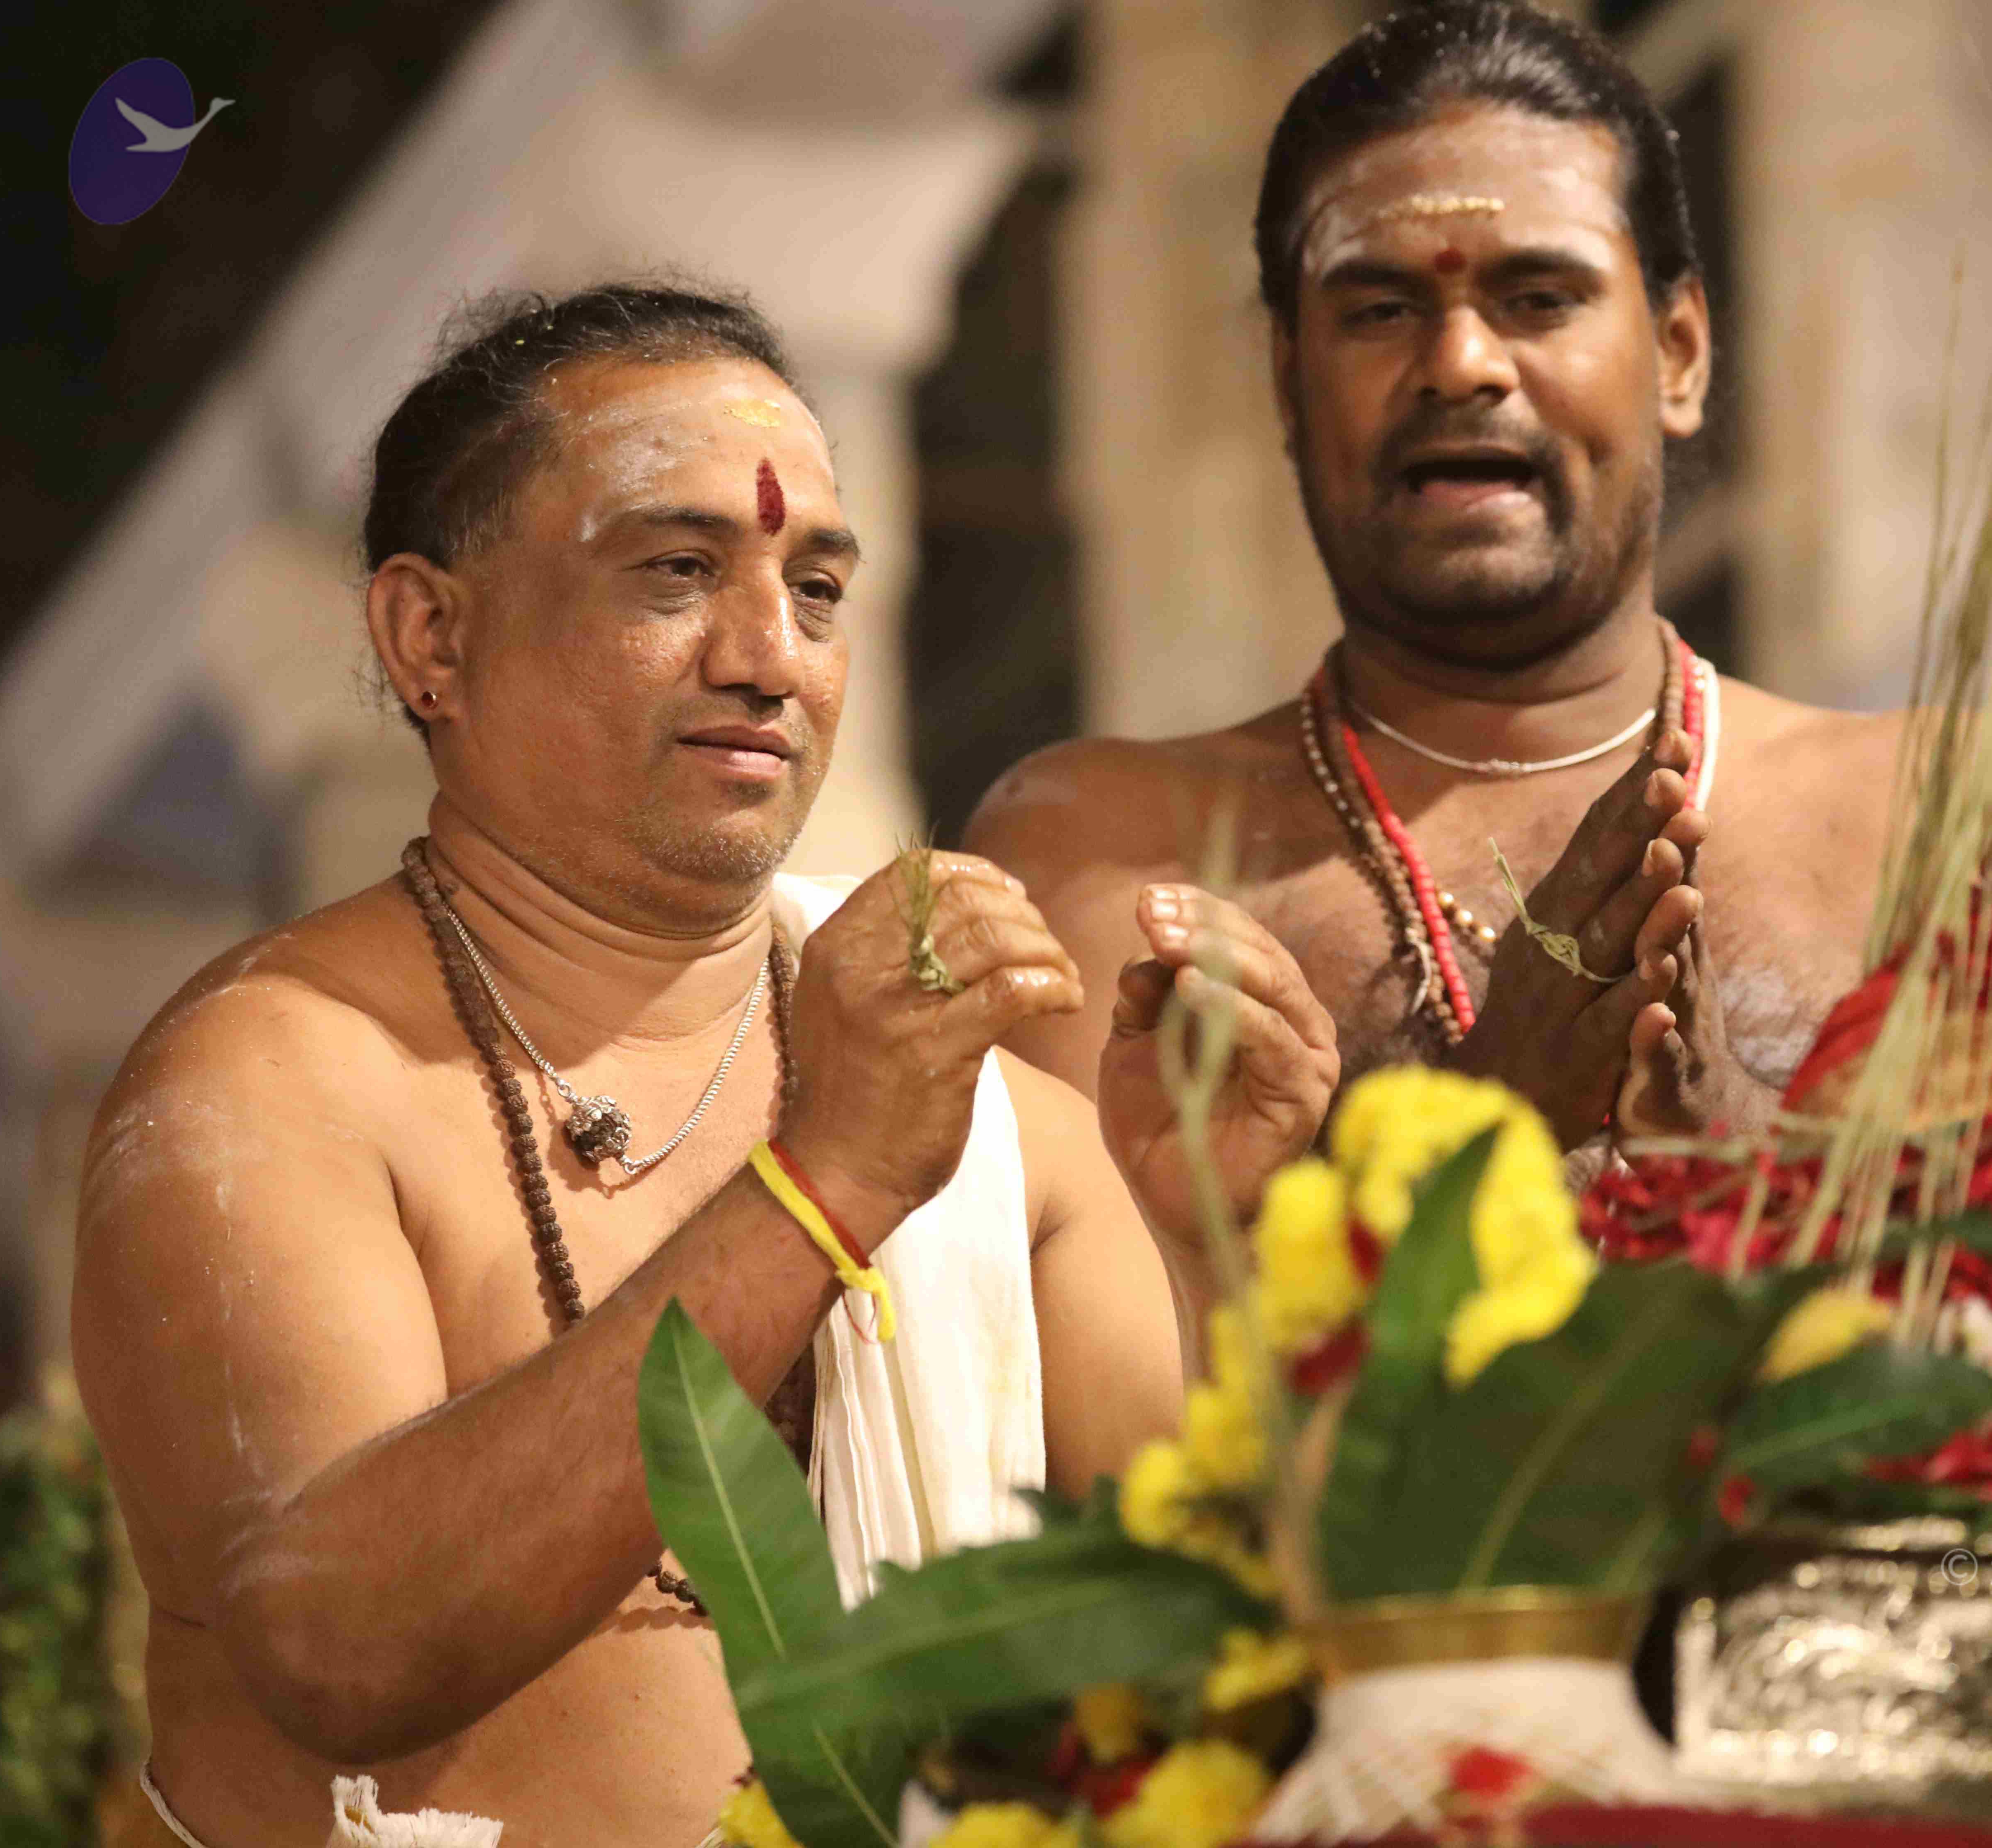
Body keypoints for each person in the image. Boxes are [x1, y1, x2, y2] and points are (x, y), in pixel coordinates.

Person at [71, 285, 1337, 1848]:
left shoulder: (1004, 1143)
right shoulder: (269, 1084)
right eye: (677, 571)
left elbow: (1231, 1685)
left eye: (816, 589)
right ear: (432, 636)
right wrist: (822, 1187)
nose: (768, 659)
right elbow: (339, 1653)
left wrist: (1225, 1251)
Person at [969, 1, 1902, 1151]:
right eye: (1380, 309)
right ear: (1287, 382)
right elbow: (1082, 1275)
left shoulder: (1929, 818)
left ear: (1679, 354)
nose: (1460, 364)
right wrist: (1498, 1116)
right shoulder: (1104, 867)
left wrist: (1740, 1154)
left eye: (1539, 300)